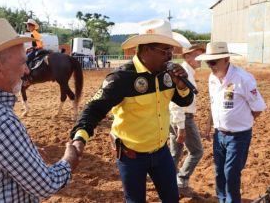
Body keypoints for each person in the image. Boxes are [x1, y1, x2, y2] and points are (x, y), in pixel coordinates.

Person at [70, 19, 194, 202]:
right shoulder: (122, 78)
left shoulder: (168, 75)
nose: (170, 56)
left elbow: (185, 100)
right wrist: (80, 138)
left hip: (161, 152)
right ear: (146, 50)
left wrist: (182, 85)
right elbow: (93, 109)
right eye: (165, 50)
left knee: (172, 199)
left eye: (171, 50)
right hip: (131, 156)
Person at [0, 18, 80, 202]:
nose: (26, 71)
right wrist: (69, 159)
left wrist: (26, 154)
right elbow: (46, 186)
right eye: (22, 63)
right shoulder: (0, 121)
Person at [196, 42, 266, 203]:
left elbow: (258, 107)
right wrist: (208, 124)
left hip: (238, 136)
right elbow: (214, 103)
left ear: (226, 59)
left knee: (231, 173)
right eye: (208, 63)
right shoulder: (212, 78)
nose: (211, 66)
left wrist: (242, 121)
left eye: (213, 62)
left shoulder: (243, 79)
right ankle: (222, 199)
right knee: (219, 171)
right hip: (219, 134)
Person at [169, 42, 205, 198]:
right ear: (187, 56)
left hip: (174, 118)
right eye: (197, 55)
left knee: (175, 152)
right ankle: (181, 182)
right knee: (197, 151)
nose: (200, 59)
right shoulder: (185, 73)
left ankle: (169, 182)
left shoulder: (187, 71)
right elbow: (176, 102)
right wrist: (181, 126)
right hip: (183, 117)